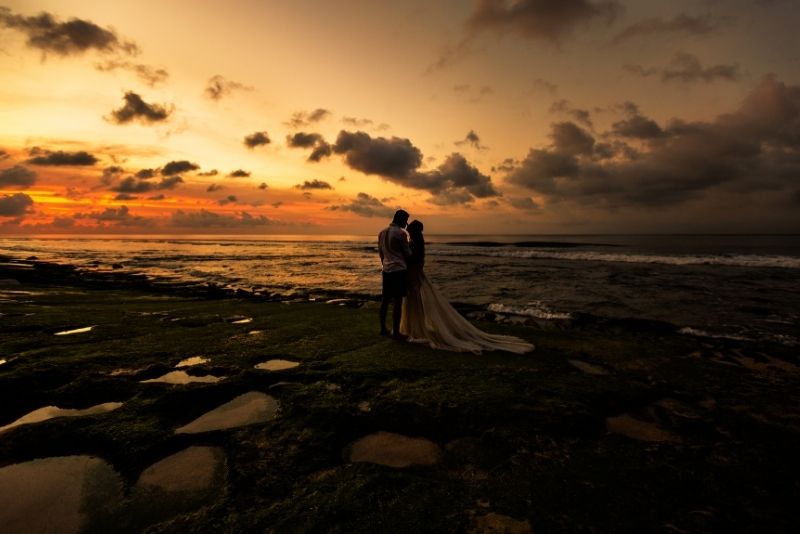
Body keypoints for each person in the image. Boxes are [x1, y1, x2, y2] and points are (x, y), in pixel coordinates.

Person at [400, 220, 533, 354]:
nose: (408, 230)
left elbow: (413, 259)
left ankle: (415, 328)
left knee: (415, 302)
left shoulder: (415, 244)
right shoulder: (417, 242)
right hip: (414, 275)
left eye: (409, 229)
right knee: (415, 302)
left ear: (413, 231)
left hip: (414, 276)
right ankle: (415, 327)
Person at [378, 209, 412, 340]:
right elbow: (407, 253)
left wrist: (385, 265)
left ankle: (382, 328)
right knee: (398, 301)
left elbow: (381, 253)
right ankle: (396, 332)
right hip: (399, 269)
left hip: (386, 269)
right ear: (401, 219)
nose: (406, 223)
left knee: (385, 300)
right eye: (405, 220)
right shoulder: (400, 233)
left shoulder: (381, 232)